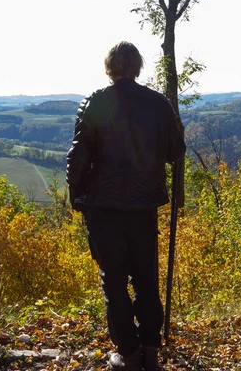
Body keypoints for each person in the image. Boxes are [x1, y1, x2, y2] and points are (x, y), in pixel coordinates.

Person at [66, 41, 185, 371]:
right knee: (146, 278)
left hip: (103, 208)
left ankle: (128, 354)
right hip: (143, 206)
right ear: (137, 67)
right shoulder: (158, 104)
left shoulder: (98, 102)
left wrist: (75, 194)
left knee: (114, 280)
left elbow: (78, 155)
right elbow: (176, 152)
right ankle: (149, 349)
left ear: (110, 67)